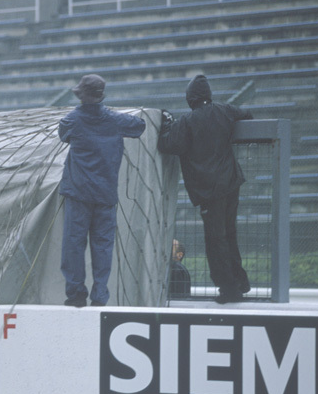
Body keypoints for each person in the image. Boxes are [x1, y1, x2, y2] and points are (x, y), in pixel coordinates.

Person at [158, 74, 253, 303]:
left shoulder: (187, 121)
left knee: (215, 239)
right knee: (229, 233)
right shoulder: (224, 110)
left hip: (209, 190)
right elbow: (246, 114)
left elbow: (168, 144)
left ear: (190, 98)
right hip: (231, 182)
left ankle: (229, 289)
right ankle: (240, 281)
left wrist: (166, 123)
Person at [58, 74, 146, 307]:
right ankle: (99, 296)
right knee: (103, 246)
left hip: (78, 193)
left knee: (73, 245)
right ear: (101, 96)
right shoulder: (115, 120)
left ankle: (76, 294)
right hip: (105, 194)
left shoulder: (72, 120)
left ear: (81, 95)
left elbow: (63, 134)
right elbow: (139, 126)